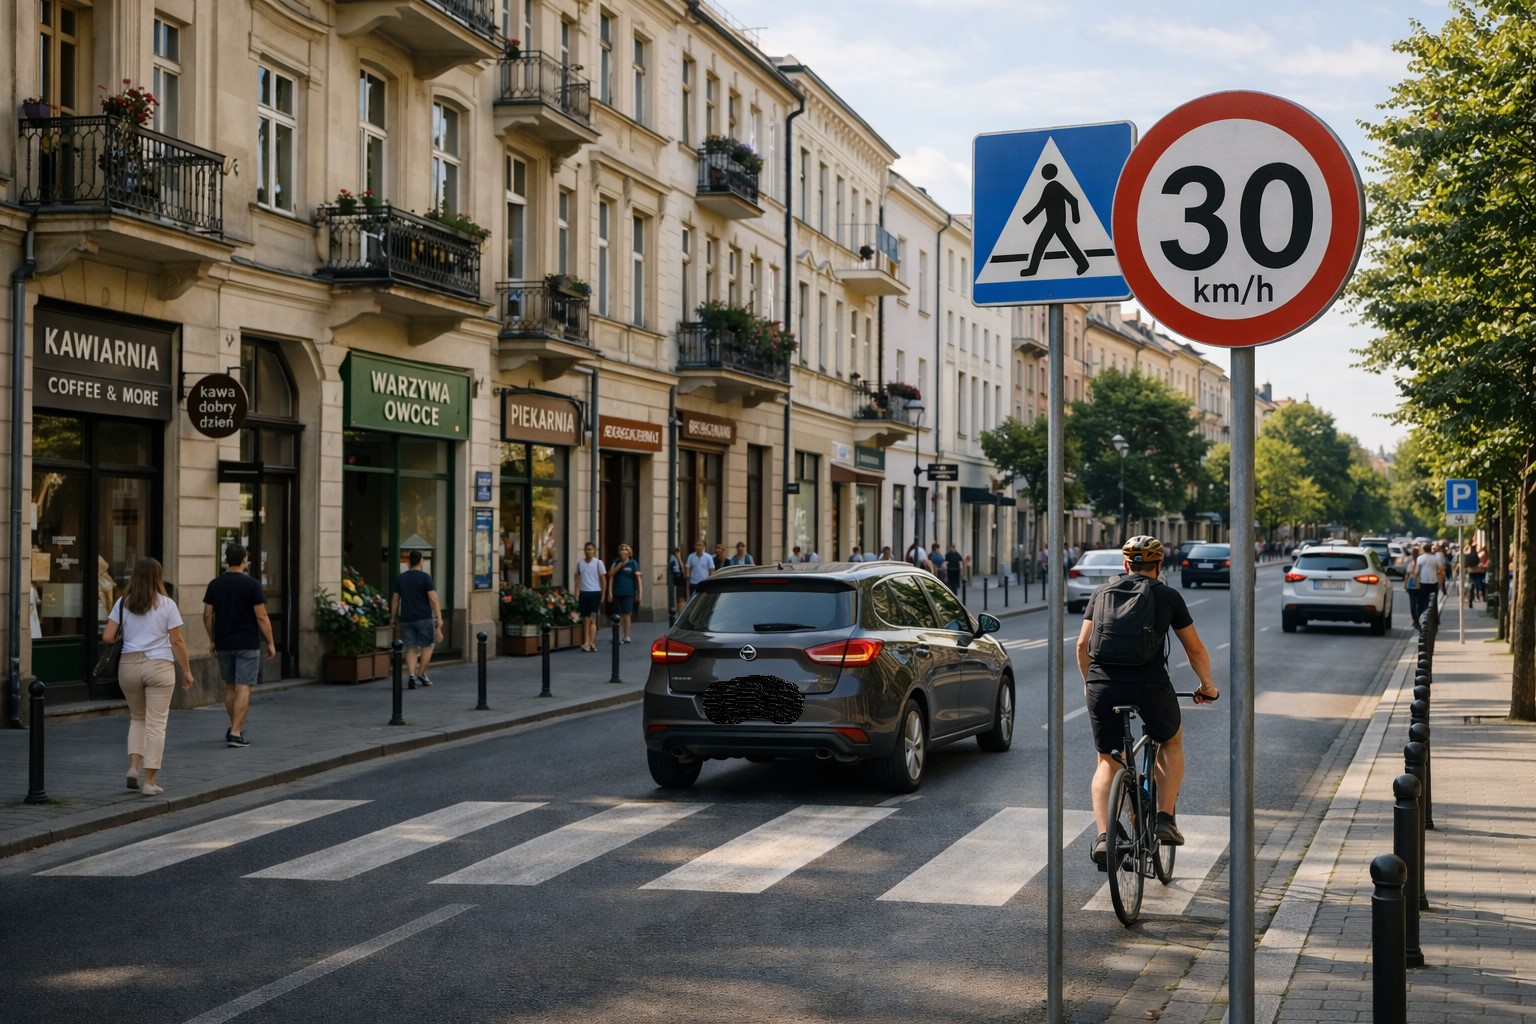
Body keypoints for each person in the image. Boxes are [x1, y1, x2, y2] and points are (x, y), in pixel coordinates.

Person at [1075, 536, 1218, 866]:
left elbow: (1082, 646)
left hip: (1103, 684)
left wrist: (1089, 685)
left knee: (1107, 760)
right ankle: (1165, 819)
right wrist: (1207, 686)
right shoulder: (1167, 595)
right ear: (1159, 565)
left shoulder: (1101, 593)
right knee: (1170, 740)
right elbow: (1195, 649)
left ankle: (1104, 837)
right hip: (1149, 685)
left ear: (1125, 564)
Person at [102, 557, 195, 796]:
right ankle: (149, 782)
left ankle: (133, 768)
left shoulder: (122, 603)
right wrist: (186, 670)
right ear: (158, 577)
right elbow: (176, 640)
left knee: (137, 718)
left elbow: (108, 637)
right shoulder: (167, 604)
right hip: (159, 666)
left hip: (129, 665)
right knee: (156, 724)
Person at [201, 543, 275, 748]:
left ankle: (235, 726)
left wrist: (212, 639)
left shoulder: (215, 584)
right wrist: (270, 642)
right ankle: (235, 732)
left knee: (230, 686)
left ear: (226, 560)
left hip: (224, 642)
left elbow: (207, 615)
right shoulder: (252, 585)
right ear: (244, 560)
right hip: (247, 643)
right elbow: (262, 617)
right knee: (243, 688)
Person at [390, 550, 442, 686]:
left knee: (411, 648)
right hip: (424, 617)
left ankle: (411, 676)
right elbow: (433, 598)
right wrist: (439, 618)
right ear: (421, 561)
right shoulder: (425, 577)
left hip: (406, 618)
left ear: (409, 562)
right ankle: (422, 674)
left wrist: (392, 617)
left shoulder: (401, 578)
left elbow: (395, 599)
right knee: (427, 646)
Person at [575, 542, 607, 651]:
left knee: (593, 618)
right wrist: (576, 593)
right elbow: (577, 578)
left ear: (594, 551)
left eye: (590, 549)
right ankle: (586, 642)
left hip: (595, 592)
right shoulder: (580, 563)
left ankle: (592, 642)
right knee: (585, 619)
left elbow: (603, 580)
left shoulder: (598, 563)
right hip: (584, 593)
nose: (588, 551)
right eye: (586, 549)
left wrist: (603, 595)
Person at [606, 544, 642, 643]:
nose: (623, 551)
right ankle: (618, 635)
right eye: (621, 549)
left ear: (629, 552)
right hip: (617, 592)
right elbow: (610, 575)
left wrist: (640, 593)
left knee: (627, 614)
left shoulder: (633, 563)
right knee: (617, 615)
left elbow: (638, 578)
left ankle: (626, 635)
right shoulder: (615, 562)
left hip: (629, 592)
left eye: (625, 549)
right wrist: (609, 592)